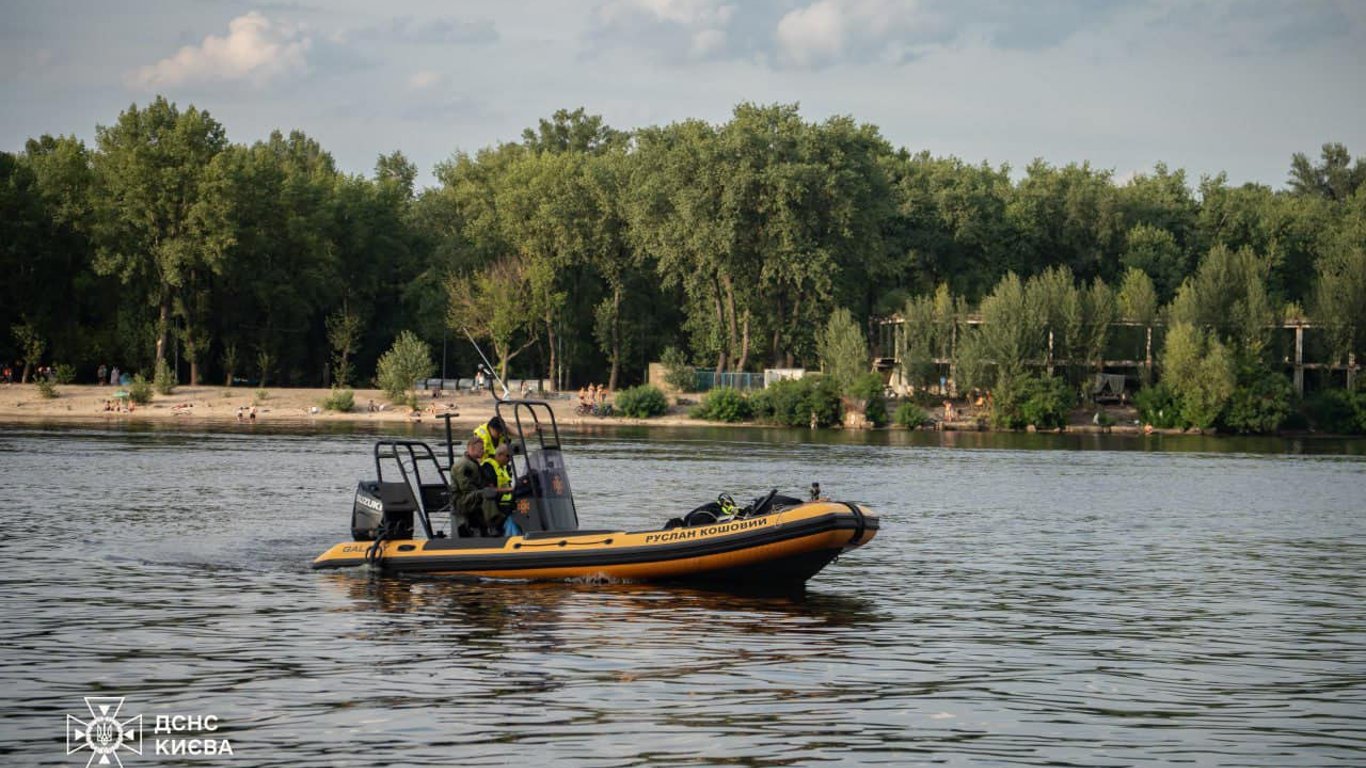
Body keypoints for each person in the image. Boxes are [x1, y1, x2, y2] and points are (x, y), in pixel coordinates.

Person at [449, 437, 505, 536]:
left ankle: (490, 525)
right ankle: (493, 524)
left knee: (488, 492)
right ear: (471, 448)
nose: (483, 451)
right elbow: (466, 488)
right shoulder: (465, 465)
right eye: (481, 449)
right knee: (486, 493)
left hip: (469, 496)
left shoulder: (473, 463)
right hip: (462, 500)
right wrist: (486, 490)